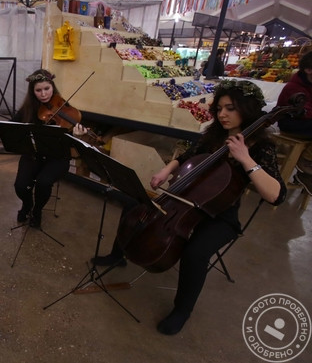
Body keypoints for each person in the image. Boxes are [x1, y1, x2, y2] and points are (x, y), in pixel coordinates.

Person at [91, 79, 286, 335]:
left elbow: (276, 195)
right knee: (133, 205)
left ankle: (182, 309)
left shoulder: (261, 147)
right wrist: (165, 171)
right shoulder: (215, 135)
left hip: (220, 214)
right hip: (184, 198)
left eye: (230, 108)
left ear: (247, 109)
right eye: (219, 109)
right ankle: (118, 255)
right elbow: (186, 157)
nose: (222, 114)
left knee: (195, 253)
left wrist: (245, 159)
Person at [12, 69, 87, 228]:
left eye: (47, 88)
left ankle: (37, 210)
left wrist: (76, 135)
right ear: (32, 92)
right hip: (33, 154)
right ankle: (27, 205)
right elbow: (12, 126)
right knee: (20, 186)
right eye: (38, 90)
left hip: (57, 157)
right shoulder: (27, 109)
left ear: (53, 87)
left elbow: (70, 143)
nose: (43, 94)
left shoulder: (65, 108)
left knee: (43, 183)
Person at [276, 51, 312, 194]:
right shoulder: (294, 87)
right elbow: (303, 113)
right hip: (291, 122)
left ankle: (306, 174)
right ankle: (306, 161)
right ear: (308, 70)